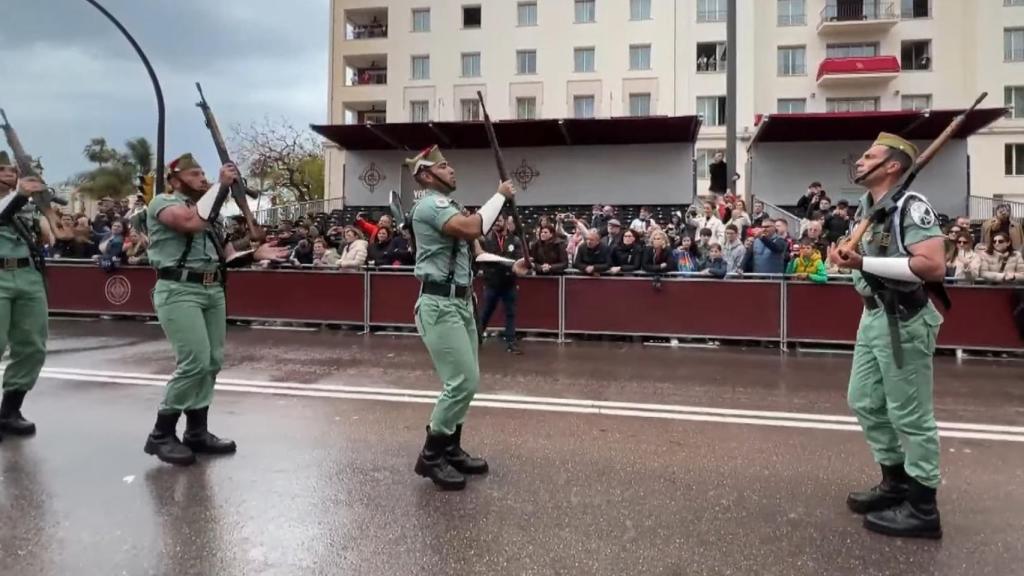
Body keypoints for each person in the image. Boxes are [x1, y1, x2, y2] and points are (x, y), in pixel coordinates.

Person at [828, 133, 947, 539]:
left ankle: (922, 506)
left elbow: (932, 267)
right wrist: (845, 257)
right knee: (863, 400)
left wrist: (863, 260)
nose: (859, 162)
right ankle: (895, 482)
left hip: (904, 318)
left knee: (910, 415)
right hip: (873, 316)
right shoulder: (869, 207)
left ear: (892, 166)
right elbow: (864, 260)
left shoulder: (911, 206)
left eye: (869, 157)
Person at [143, 154, 287, 466]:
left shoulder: (211, 215)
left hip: (212, 289)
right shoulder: (163, 203)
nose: (202, 178)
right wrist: (220, 187)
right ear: (174, 179)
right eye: (194, 174)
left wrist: (254, 253)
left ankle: (197, 431)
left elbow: (227, 257)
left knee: (211, 362)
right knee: (194, 361)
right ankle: (161, 433)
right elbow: (188, 223)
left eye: (202, 173)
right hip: (179, 289)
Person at [405, 145, 519, 491]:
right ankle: (431, 455)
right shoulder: (430, 205)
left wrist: (512, 265)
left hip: (461, 303)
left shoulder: (449, 207)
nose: (452, 170)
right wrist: (499, 196)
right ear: (426, 176)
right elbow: (472, 229)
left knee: (468, 383)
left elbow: (478, 252)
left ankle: (451, 449)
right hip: (439, 304)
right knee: (462, 382)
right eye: (444, 166)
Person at [0, 151, 72, 439]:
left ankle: (10, 409)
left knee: (32, 344)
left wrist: (55, 222)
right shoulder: (16, 199)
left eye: (12, 169)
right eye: (2, 168)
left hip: (28, 274)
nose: (9, 172)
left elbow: (50, 234)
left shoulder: (27, 203)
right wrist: (19, 196)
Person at [478, 215, 524, 354]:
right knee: (486, 312)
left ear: (505, 223)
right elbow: (483, 259)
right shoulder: (486, 240)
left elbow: (517, 259)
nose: (496, 224)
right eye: (494, 221)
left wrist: (504, 264)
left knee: (510, 314)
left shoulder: (515, 240)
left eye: (499, 221)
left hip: (509, 283)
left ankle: (511, 343)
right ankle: (476, 339)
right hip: (492, 283)